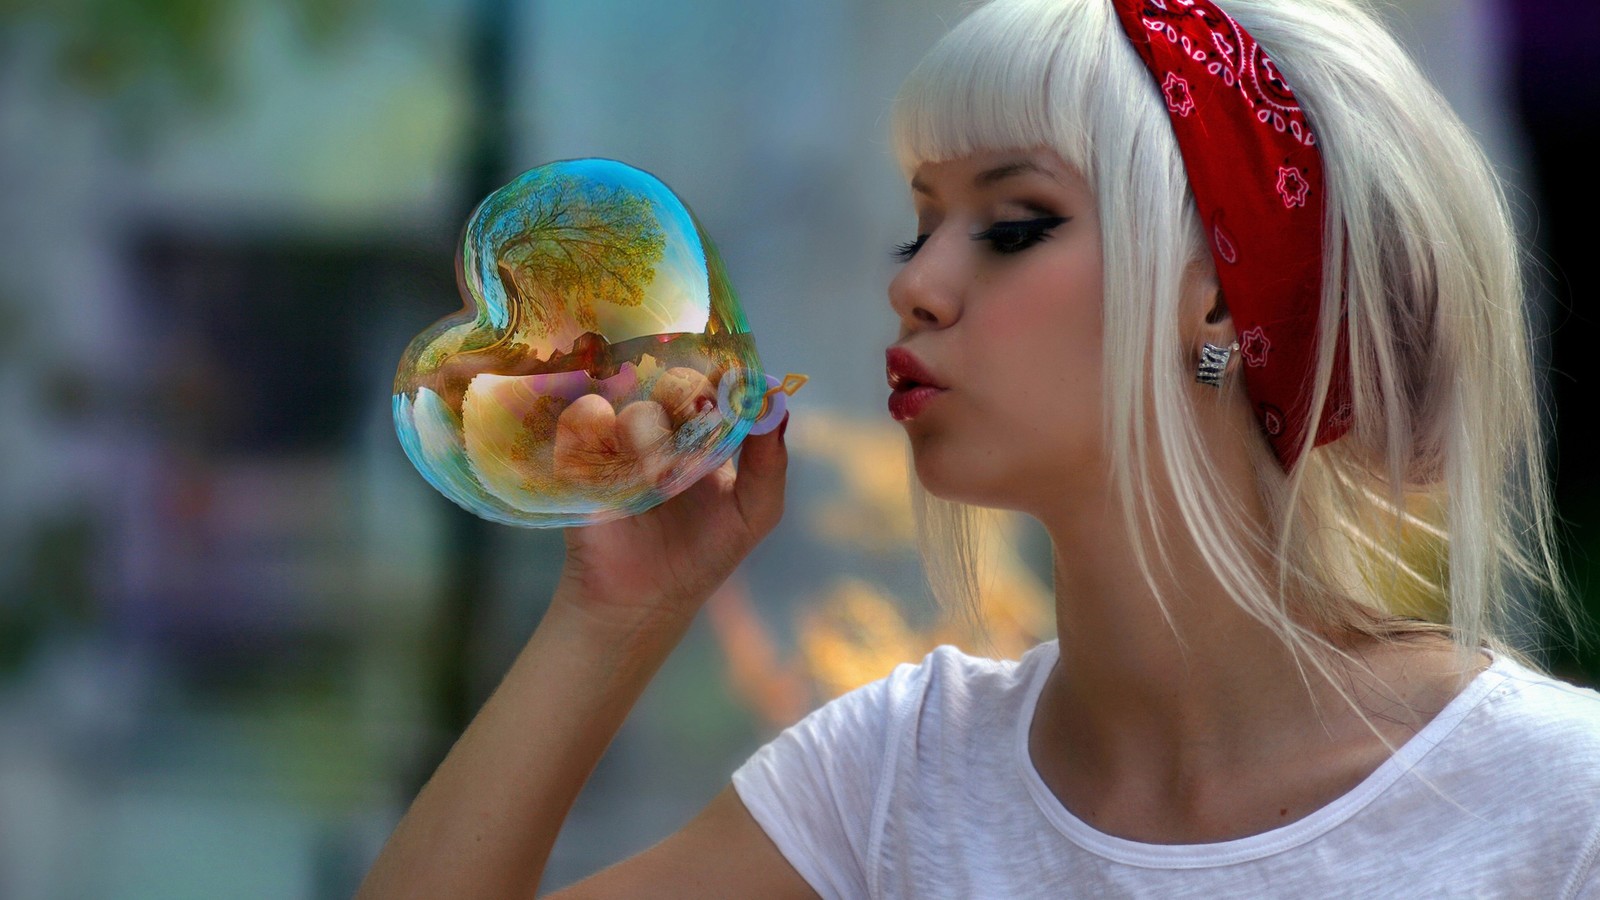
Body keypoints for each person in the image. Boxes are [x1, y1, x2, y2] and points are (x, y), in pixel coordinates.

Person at [356, 0, 1600, 896]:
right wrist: (614, 616)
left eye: (1010, 226)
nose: (917, 289)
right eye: (915, 231)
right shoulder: (891, 777)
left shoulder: (1560, 802)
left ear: (1219, 296)